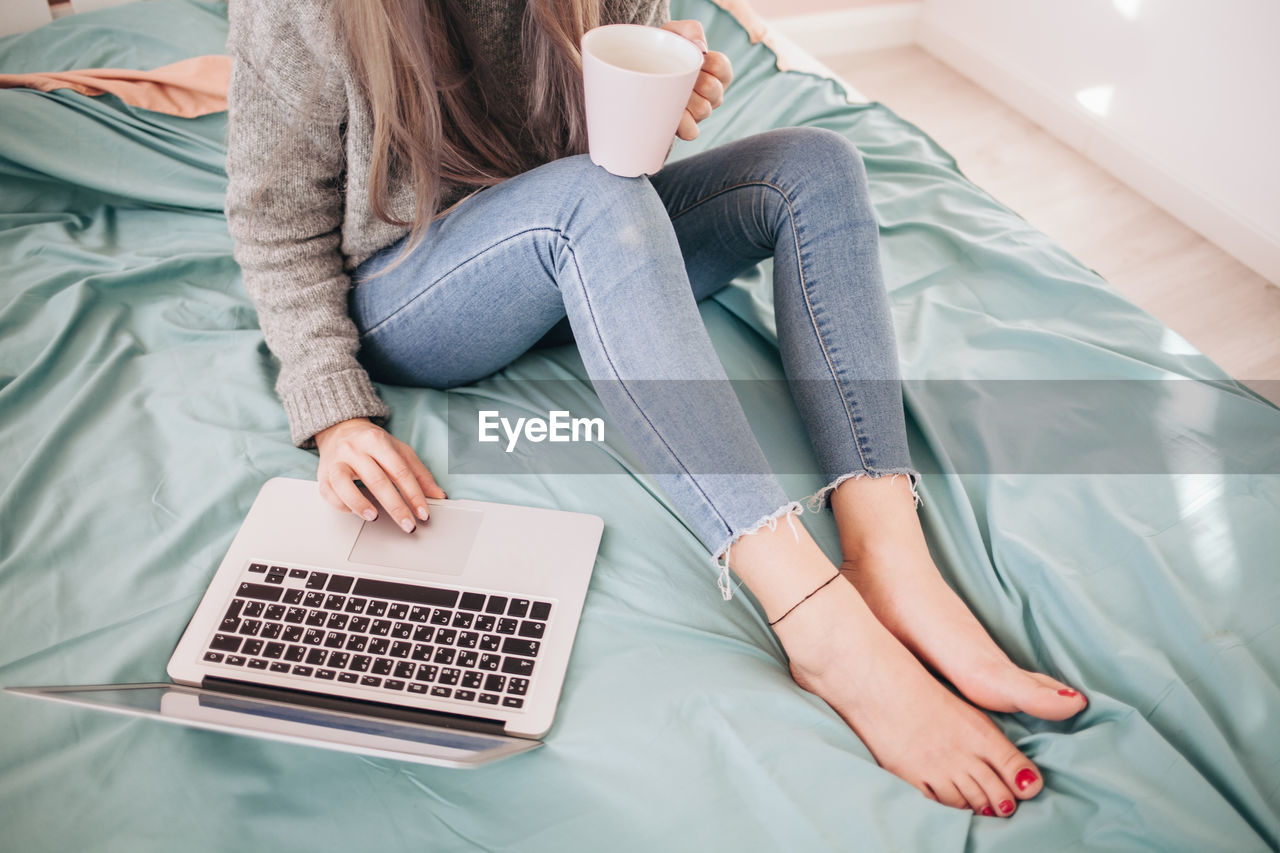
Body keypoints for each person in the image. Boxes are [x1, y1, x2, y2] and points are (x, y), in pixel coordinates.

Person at [224, 0, 1087, 817]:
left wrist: (658, 97)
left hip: (579, 239)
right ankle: (820, 627)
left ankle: (889, 556)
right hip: (415, 288)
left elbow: (608, 166)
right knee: (591, 205)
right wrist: (334, 409)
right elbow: (275, 221)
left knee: (817, 170)